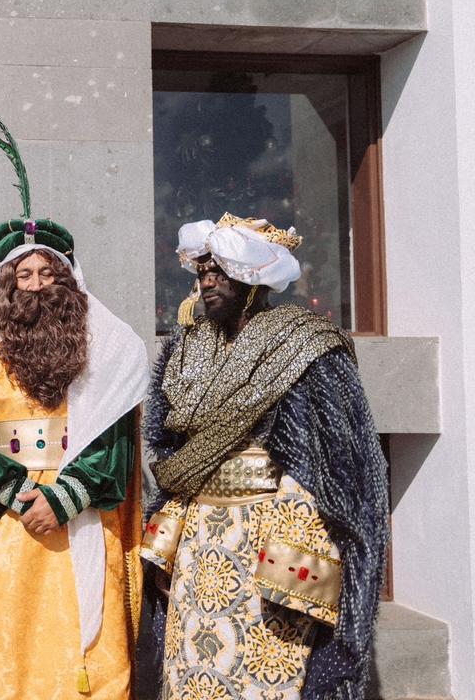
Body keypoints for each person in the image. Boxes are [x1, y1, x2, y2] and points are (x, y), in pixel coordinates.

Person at [0, 106, 149, 699]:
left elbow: (114, 443)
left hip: (82, 517)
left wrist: (64, 498)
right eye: (25, 275)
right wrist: (26, 498)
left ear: (67, 280)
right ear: (4, 283)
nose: (37, 284)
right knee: (7, 659)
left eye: (49, 273)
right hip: (9, 529)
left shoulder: (107, 351)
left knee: (87, 656)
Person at [141, 214, 389, 700]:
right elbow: (174, 459)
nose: (207, 279)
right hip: (197, 548)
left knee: (264, 672)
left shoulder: (305, 345)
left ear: (253, 276)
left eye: (221, 269)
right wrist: (166, 546)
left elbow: (336, 466)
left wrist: (298, 553)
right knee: (192, 670)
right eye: (202, 270)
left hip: (269, 539)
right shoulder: (187, 348)